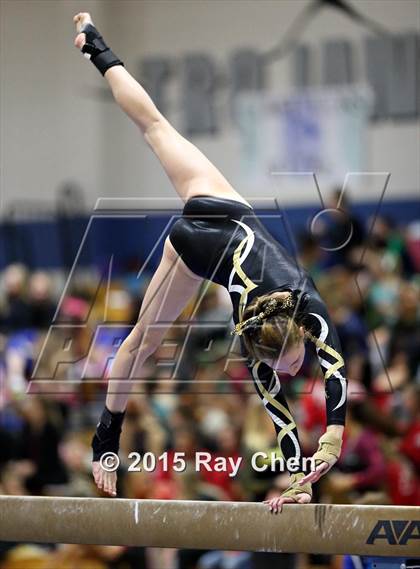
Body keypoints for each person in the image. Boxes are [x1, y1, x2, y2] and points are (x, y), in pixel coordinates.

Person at [73, 12, 347, 511]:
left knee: (155, 126)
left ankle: (94, 44)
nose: (287, 373)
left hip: (221, 205)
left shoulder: (299, 318)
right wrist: (325, 446)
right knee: (143, 341)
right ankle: (105, 444)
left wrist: (303, 478)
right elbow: (333, 381)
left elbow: (293, 410)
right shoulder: (290, 326)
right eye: (288, 366)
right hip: (197, 244)